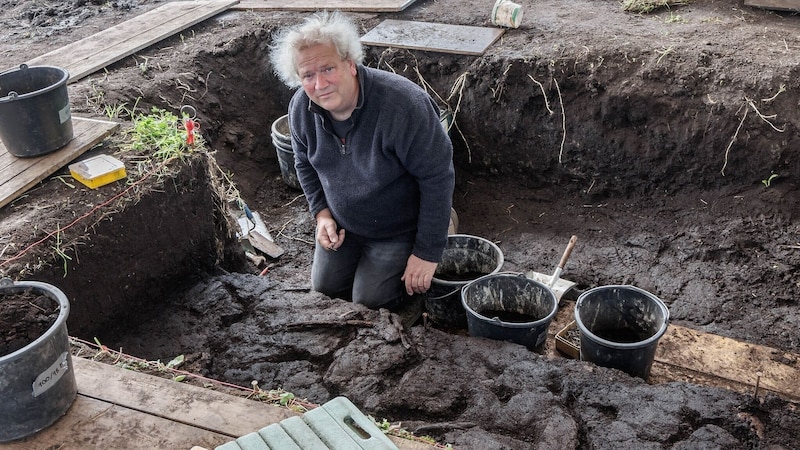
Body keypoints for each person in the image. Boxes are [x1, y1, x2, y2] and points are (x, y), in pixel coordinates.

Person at [269, 11, 455, 311]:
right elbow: (303, 162)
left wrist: (427, 252)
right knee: (325, 291)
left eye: (328, 68)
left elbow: (437, 177)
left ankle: (445, 225)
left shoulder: (403, 106)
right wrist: (322, 214)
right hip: (345, 225)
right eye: (308, 76)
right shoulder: (301, 109)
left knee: (369, 303)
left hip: (398, 227)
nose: (320, 84)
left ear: (350, 64)